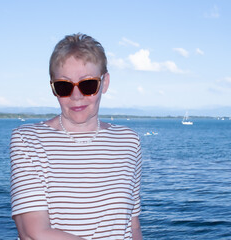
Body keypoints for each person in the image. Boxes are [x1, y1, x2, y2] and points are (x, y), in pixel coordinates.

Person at [10, 33, 143, 240]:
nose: (76, 96)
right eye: (64, 86)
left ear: (104, 83)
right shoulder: (28, 140)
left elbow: (132, 225)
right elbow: (32, 232)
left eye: (87, 84)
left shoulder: (129, 141)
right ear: (53, 88)